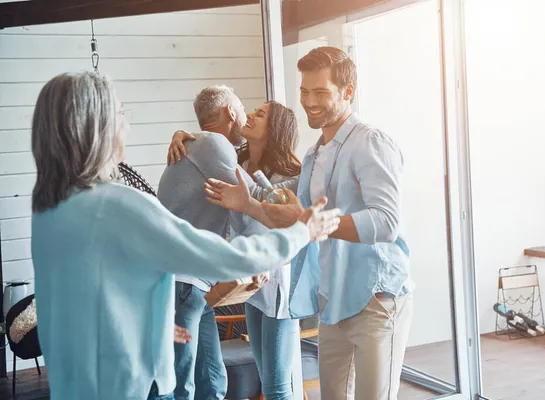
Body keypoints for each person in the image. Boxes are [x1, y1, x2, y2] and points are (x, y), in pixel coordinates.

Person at [29, 71, 341, 400]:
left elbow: (93, 294)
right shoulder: (115, 204)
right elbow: (225, 257)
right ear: (97, 128)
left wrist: (148, 326)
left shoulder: (49, 211)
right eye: (121, 114)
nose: (127, 125)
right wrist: (301, 232)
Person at [203, 46, 414, 400]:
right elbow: (288, 214)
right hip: (333, 301)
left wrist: (305, 219)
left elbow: (386, 221)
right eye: (304, 91)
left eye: (321, 92)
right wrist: (249, 204)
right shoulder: (315, 155)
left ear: (348, 92)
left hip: (377, 300)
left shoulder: (370, 142)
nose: (309, 101)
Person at [167, 100, 302, 400]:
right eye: (252, 111)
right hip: (249, 286)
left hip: (276, 282)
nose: (251, 115)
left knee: (278, 387)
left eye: (260, 114)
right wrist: (181, 135)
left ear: (275, 128)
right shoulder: (236, 166)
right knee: (265, 378)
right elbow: (206, 146)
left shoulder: (289, 176)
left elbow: (290, 226)